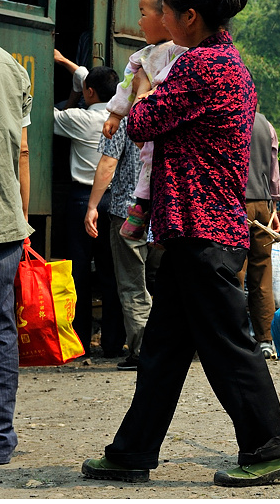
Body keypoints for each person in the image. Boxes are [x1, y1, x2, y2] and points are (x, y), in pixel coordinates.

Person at [81, 0, 280, 487]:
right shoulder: (222, 61)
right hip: (189, 228)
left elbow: (141, 121)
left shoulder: (202, 66)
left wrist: (139, 83)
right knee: (164, 348)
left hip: (203, 230)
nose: (158, 21)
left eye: (165, 12)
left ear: (189, 17)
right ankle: (132, 451)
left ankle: (270, 446)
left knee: (227, 343)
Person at [101, 0, 187, 241]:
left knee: (154, 168)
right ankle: (141, 210)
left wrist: (151, 93)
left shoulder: (181, 50)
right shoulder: (142, 56)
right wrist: (115, 114)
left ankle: (149, 214)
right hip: (147, 127)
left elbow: (173, 82)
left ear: (165, 17)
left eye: (143, 14)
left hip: (162, 122)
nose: (138, 22)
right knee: (147, 166)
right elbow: (127, 85)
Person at [53, 57, 125, 358]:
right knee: (111, 274)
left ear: (90, 92)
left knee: (79, 274)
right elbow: (87, 79)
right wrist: (68, 64)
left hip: (84, 199)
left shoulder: (78, 119)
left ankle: (80, 343)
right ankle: (112, 343)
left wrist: (72, 96)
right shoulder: (120, 119)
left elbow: (48, 114)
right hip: (114, 201)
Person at [85, 116, 161, 371]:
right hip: (165, 214)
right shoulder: (171, 113)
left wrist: (93, 206)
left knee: (132, 284)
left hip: (129, 212)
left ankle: (143, 352)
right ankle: (169, 347)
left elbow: (108, 163)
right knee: (162, 282)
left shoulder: (125, 120)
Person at [0, 45, 33, 465]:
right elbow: (22, 151)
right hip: (2, 220)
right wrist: (21, 219)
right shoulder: (10, 67)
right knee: (1, 327)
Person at [239, 111, 280, 360]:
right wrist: (273, 206)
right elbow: (273, 167)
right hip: (262, 205)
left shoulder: (226, 115)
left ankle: (238, 337)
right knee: (262, 272)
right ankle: (266, 340)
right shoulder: (266, 123)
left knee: (235, 273)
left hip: (236, 205)